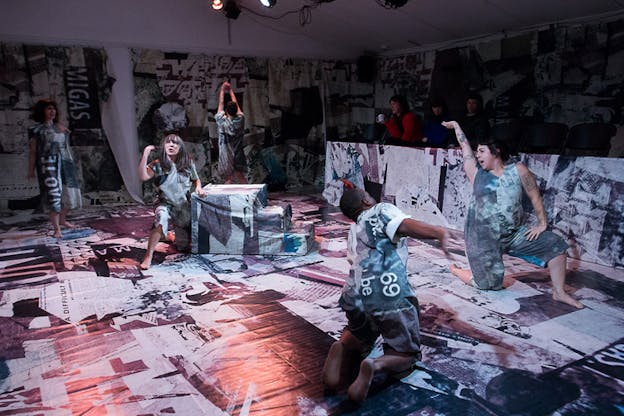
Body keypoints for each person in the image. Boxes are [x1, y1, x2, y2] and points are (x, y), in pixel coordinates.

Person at [322, 186, 449, 403]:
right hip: (388, 293)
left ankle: (342, 346)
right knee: (406, 354)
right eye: (368, 193)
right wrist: (439, 232)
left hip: (355, 293)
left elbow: (354, 261)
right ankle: (376, 364)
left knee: (360, 334)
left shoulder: (354, 231)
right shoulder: (381, 210)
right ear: (365, 200)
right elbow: (405, 225)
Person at [442, 120, 583, 309]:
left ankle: (559, 292)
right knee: (489, 286)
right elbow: (465, 148)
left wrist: (542, 224)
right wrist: (458, 127)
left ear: (496, 151)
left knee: (556, 246)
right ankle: (457, 270)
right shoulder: (476, 173)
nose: (478, 155)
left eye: (482, 151)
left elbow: (535, 197)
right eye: (477, 152)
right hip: (483, 240)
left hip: (513, 233)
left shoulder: (518, 170)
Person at [138, 134, 206, 270]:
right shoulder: (158, 164)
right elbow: (143, 176)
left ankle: (169, 236)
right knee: (160, 218)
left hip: (182, 207)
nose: (171, 145)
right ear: (164, 146)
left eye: (175, 143)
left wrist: (198, 187)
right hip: (164, 203)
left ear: (180, 148)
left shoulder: (187, 163)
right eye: (168, 143)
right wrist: (145, 154)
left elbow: (195, 179)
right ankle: (148, 255)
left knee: (183, 247)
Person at [27, 99, 81, 238]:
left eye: (53, 109)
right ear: (42, 111)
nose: (52, 111)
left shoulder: (60, 127)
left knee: (70, 193)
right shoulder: (37, 130)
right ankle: (56, 228)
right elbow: (33, 151)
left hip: (65, 163)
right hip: (48, 164)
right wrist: (30, 169)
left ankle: (62, 220)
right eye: (49, 108)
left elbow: (66, 147)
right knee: (53, 195)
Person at [215, 81, 247, 184]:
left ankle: (225, 199)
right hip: (237, 152)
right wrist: (231, 91)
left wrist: (222, 90)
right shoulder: (240, 119)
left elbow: (220, 104)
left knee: (228, 179)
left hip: (226, 154)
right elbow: (237, 107)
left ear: (226, 111)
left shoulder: (222, 121)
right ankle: (251, 198)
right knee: (241, 176)